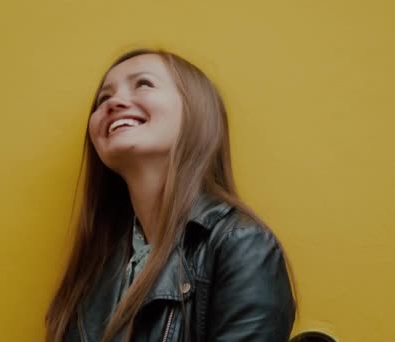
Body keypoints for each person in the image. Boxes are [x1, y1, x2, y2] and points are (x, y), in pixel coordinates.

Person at [46, 49, 296, 342]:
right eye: (103, 99)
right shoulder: (96, 264)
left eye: (143, 84)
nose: (114, 103)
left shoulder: (241, 245)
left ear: (196, 111)